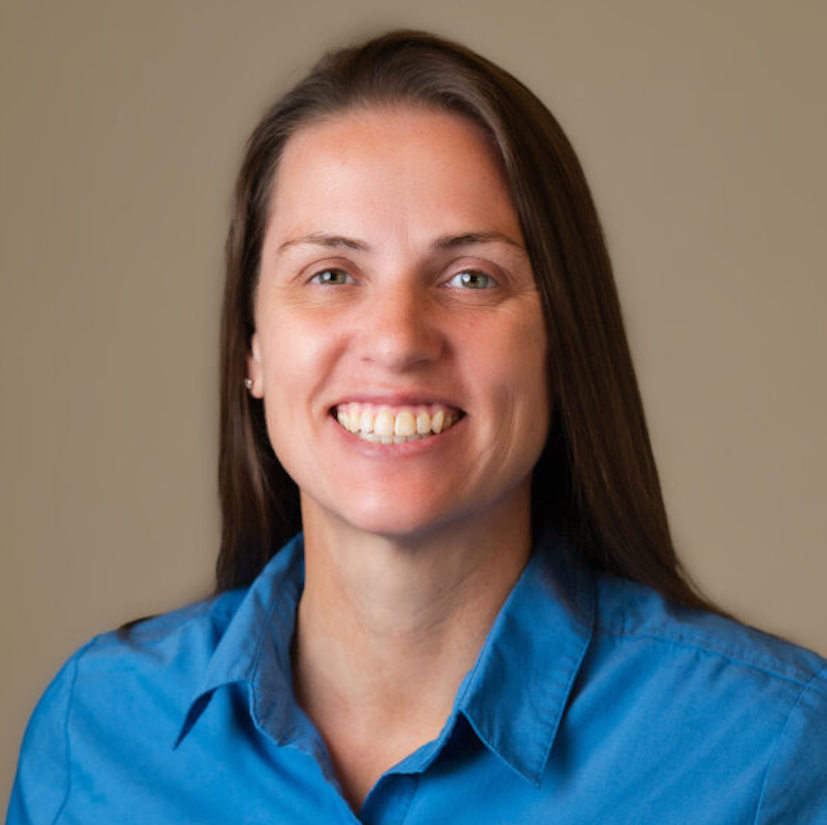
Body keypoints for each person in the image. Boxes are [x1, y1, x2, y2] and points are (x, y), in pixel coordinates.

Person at [7, 30, 826, 824]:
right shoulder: (100, 731)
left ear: (561, 341)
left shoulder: (768, 748)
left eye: (471, 277)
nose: (398, 339)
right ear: (251, 350)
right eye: (330, 274)